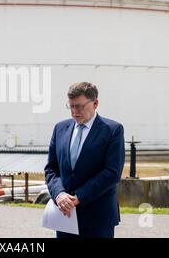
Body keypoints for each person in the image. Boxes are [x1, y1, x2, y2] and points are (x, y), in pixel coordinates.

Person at [45, 82, 125, 238]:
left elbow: (112, 172)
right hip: (65, 216)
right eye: (71, 106)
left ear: (95, 103)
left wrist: (79, 197)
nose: (75, 112)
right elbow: (51, 169)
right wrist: (59, 194)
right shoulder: (60, 128)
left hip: (98, 218)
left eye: (79, 106)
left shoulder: (112, 130)